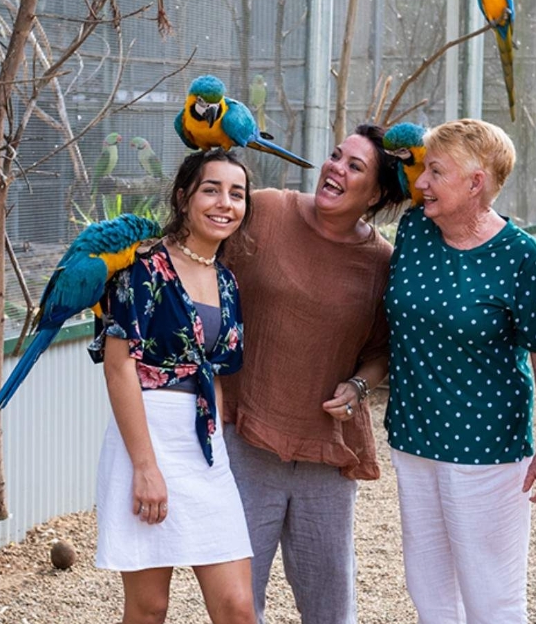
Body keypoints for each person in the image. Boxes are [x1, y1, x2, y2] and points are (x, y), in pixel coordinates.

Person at [218, 123, 406, 624]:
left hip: (326, 450)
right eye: (335, 156)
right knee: (236, 605)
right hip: (247, 438)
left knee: (331, 609)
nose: (335, 169)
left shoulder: (383, 263)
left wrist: (359, 386)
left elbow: (381, 351)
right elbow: (202, 276)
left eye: (354, 167)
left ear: (379, 194)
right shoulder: (266, 211)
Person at [384, 118, 536, 623]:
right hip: (413, 440)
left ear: (475, 182)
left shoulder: (520, 256)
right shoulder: (415, 230)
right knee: (430, 594)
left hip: (485, 449)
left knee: (493, 599)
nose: (420, 182)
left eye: (435, 172)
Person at [89, 148, 256, 624]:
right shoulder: (142, 267)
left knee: (237, 607)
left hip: (203, 449)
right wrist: (145, 466)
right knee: (148, 608)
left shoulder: (227, 282)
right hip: (147, 436)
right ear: (183, 198)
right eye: (211, 189)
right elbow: (118, 368)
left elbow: (218, 370)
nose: (225, 203)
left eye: (237, 194)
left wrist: (217, 445)